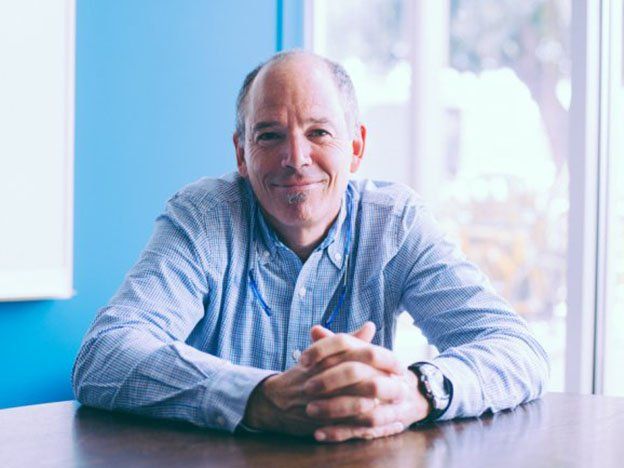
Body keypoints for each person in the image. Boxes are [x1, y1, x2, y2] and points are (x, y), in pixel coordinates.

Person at [72, 50, 549, 443]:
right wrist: (259, 397)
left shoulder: (395, 223)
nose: (296, 158)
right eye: (269, 136)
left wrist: (415, 390)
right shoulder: (204, 217)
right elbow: (104, 355)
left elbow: (517, 349)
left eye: (318, 132)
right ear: (241, 153)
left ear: (356, 147)